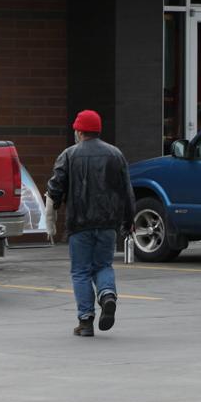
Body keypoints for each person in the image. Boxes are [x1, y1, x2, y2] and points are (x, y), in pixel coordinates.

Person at [44, 109, 135, 337]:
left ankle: (85, 321)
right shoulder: (115, 154)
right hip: (107, 223)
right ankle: (107, 295)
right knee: (103, 265)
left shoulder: (69, 155)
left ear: (79, 130)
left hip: (80, 224)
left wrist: (51, 216)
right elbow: (127, 191)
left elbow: (55, 188)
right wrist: (128, 220)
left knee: (81, 271)